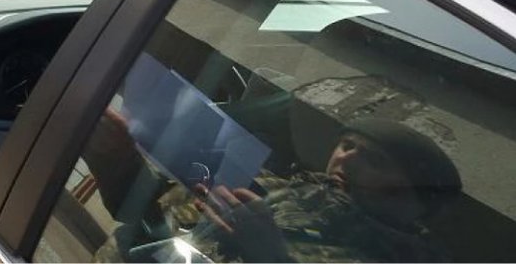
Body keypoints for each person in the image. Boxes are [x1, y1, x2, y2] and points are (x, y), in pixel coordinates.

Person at [82, 111, 462, 262]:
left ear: (416, 201)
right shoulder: (266, 185)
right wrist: (115, 157)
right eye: (347, 146)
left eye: (374, 160)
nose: (345, 159)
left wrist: (270, 257)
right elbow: (147, 216)